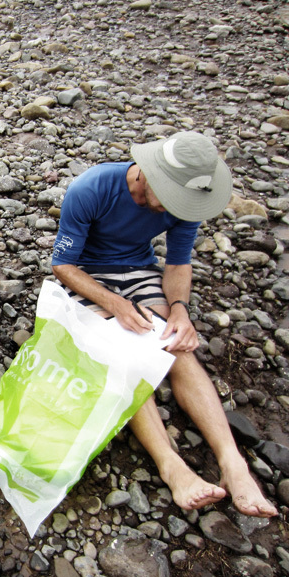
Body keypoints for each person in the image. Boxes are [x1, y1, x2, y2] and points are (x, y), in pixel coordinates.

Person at [50, 131, 276, 517]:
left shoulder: (188, 202)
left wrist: (179, 310)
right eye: (173, 197)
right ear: (149, 175)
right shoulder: (91, 188)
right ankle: (171, 465)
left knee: (178, 348)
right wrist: (114, 303)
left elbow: (177, 264)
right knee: (124, 353)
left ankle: (232, 462)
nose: (178, 207)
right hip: (87, 274)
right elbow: (62, 265)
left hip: (139, 271)